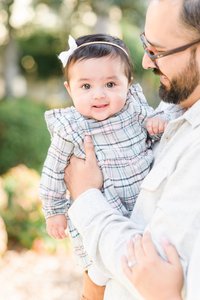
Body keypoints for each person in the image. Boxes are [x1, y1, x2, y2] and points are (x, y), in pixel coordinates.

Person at [64, 0, 200, 299]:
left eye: (157, 51)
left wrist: (86, 197)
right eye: (145, 44)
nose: (146, 63)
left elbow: (153, 269)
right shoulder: (173, 105)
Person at [39, 33, 182, 300]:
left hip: (141, 207)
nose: (99, 95)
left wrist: (156, 123)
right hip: (103, 205)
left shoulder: (134, 108)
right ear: (69, 89)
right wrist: (53, 211)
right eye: (86, 87)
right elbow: (53, 171)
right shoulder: (71, 128)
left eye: (110, 83)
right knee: (100, 267)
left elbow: (154, 131)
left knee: (136, 260)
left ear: (128, 83)